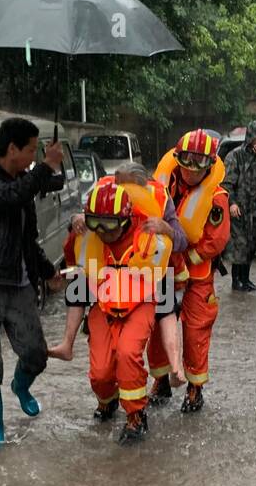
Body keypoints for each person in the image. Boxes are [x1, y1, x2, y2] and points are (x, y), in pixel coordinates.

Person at [0, 117, 65, 446]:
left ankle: (20, 387)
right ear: (12, 149)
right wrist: (45, 167)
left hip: (20, 286)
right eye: (32, 150)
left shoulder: (24, 181)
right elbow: (8, 196)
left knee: (36, 355)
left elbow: (27, 239)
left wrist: (49, 271)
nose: (35, 156)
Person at [49, 162, 187, 387]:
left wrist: (166, 229)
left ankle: (174, 367)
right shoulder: (105, 193)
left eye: (126, 184)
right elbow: (82, 216)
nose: (120, 188)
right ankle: (68, 343)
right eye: (117, 182)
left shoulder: (160, 198)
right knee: (80, 282)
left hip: (151, 264)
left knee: (165, 306)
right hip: (109, 265)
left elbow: (182, 241)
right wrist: (76, 219)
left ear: (143, 183)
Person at [66, 179, 172, 443]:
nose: (102, 231)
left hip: (140, 304)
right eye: (95, 224)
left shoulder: (152, 239)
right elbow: (76, 288)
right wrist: (67, 341)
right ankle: (108, 400)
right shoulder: (88, 242)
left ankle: (136, 416)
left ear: (125, 220)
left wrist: (176, 361)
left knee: (128, 353)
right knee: (100, 372)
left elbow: (167, 292)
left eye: (109, 224)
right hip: (102, 305)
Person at [148, 129, 232, 413]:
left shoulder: (216, 199)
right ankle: (160, 380)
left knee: (196, 332)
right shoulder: (164, 183)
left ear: (209, 166)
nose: (190, 171)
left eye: (197, 164)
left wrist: (189, 256)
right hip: (165, 271)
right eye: (185, 163)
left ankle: (195, 388)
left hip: (197, 277)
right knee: (157, 329)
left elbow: (216, 239)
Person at [222, 119, 256, 291]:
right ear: (251, 137)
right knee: (240, 246)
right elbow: (226, 184)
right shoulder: (235, 156)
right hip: (240, 209)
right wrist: (232, 203)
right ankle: (236, 280)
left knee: (252, 245)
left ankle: (245, 279)